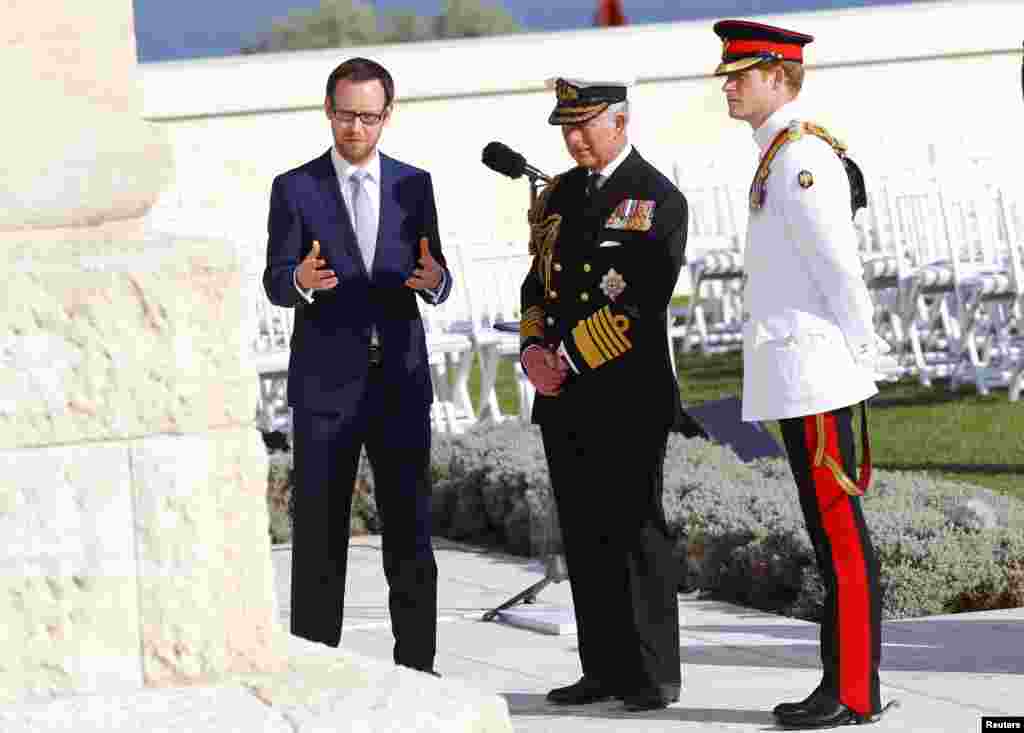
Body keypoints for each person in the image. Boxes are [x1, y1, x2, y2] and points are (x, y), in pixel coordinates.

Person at [712, 19, 898, 728]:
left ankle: (854, 690)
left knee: (841, 534)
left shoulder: (799, 159)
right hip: (801, 375)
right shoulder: (777, 153)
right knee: (828, 537)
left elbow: (840, 270)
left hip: (820, 374)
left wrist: (860, 358)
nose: (729, 85)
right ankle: (842, 683)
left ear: (779, 77)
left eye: (741, 73)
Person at [263, 57, 452, 675]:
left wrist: (437, 281)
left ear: (387, 117)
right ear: (328, 110)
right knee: (319, 536)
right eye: (345, 115)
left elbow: (435, 267)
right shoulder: (294, 187)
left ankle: (418, 671)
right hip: (325, 385)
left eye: (368, 117)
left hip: (399, 380)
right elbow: (273, 278)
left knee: (410, 532)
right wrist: (298, 279)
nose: (355, 128)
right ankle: (317, 671)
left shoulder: (413, 184)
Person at [519, 76, 698, 712]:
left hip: (626, 391)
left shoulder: (656, 198)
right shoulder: (562, 194)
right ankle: (603, 667)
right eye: (565, 128)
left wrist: (564, 359)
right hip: (563, 395)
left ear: (619, 124)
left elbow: (640, 303)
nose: (572, 139)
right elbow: (535, 283)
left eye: (584, 126)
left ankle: (653, 674)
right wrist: (533, 350)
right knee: (584, 529)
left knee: (635, 528)